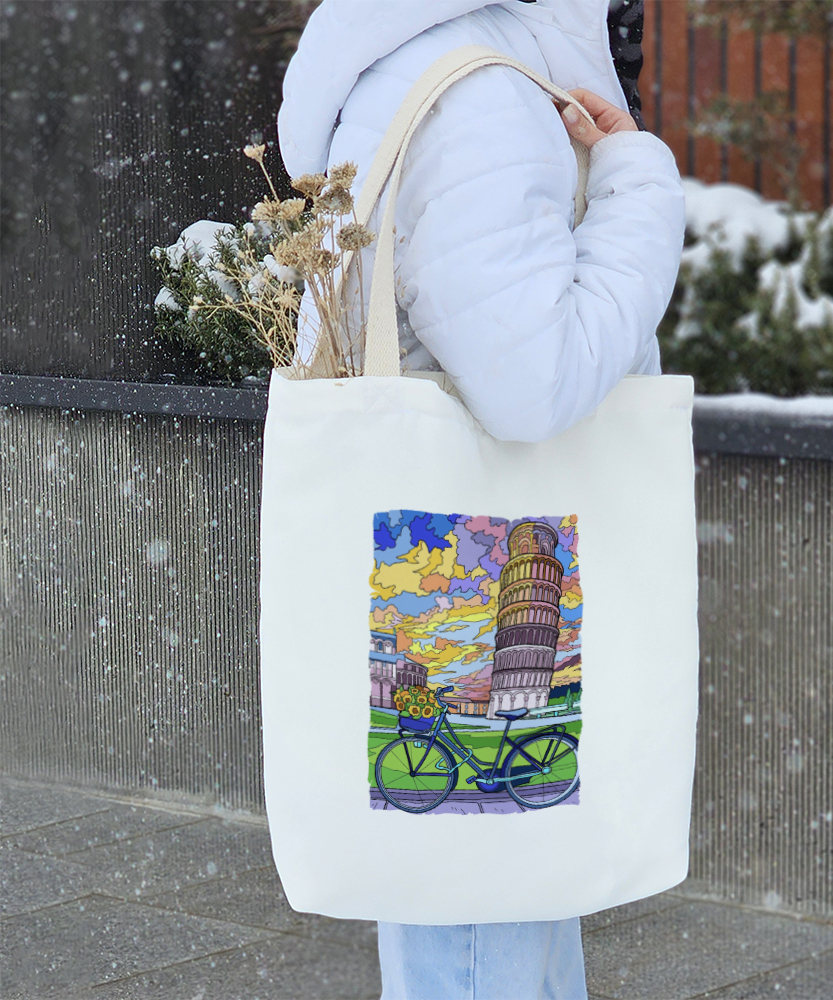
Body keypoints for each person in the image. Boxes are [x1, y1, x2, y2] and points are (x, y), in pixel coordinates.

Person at [277, 1, 684, 996]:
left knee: (491, 901)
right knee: (482, 924)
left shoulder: (431, 61)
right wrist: (637, 185)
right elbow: (532, 384)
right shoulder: (480, 95)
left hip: (444, 565)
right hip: (489, 554)